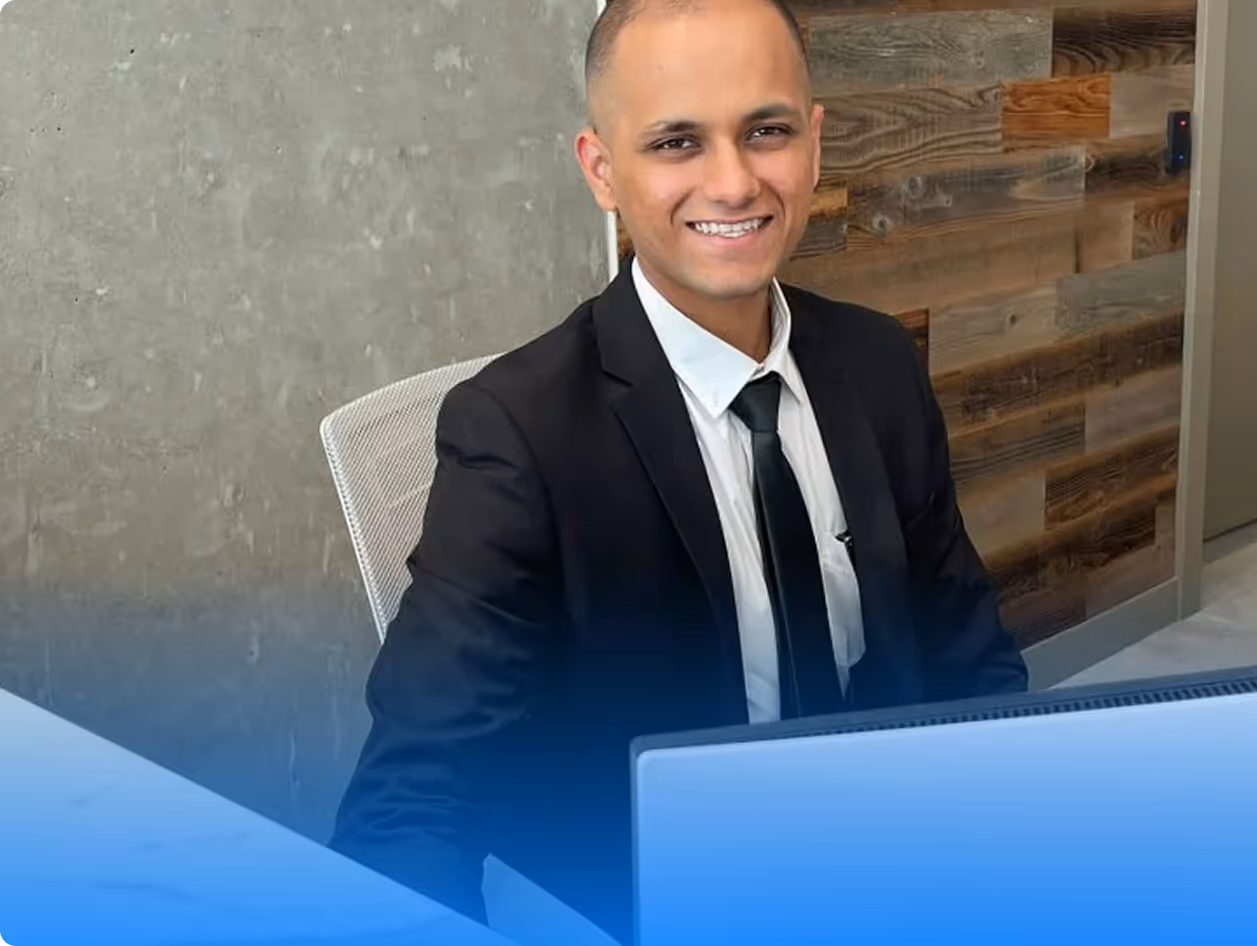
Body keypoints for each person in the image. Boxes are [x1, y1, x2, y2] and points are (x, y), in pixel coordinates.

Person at [331, 0, 1028, 940]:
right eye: (676, 143)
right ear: (602, 171)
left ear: (815, 145)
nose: (734, 182)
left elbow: (969, 658)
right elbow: (410, 803)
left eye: (767, 131)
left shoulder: (879, 365)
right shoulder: (515, 433)